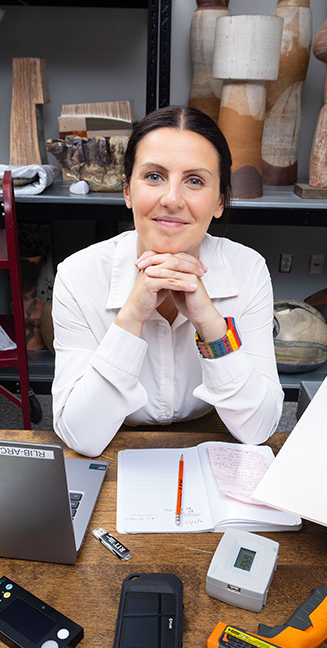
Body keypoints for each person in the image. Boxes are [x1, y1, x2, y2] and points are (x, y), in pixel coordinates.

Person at [51, 106, 283, 457]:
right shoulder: (78, 276)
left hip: (212, 435)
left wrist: (210, 324)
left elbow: (258, 429)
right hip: (113, 436)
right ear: (127, 191)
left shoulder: (247, 269)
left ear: (220, 201)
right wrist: (130, 317)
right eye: (155, 176)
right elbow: (81, 436)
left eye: (194, 181)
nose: (172, 199)